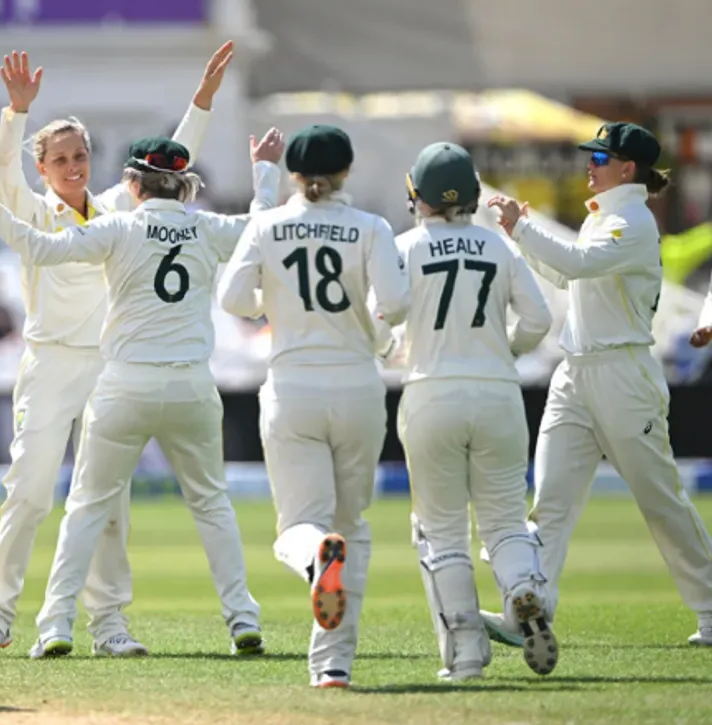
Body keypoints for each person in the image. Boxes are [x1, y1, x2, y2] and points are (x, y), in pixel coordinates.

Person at [0, 128, 284, 658]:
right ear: (183, 185)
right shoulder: (207, 227)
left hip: (122, 379)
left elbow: (38, 247)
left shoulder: (117, 224)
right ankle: (242, 618)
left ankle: (68, 624)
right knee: (207, 503)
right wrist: (264, 170)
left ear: (130, 182)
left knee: (91, 506)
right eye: (62, 158)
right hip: (176, 380)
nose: (74, 165)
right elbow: (261, 226)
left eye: (81, 155)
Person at [488, 122, 712, 648]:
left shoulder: (632, 221)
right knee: (550, 500)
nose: (589, 164)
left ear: (627, 168)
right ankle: (531, 612)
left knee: (660, 501)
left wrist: (522, 228)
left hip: (623, 375)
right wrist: (517, 233)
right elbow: (569, 276)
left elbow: (579, 263)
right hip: (576, 372)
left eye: (599, 157)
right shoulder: (606, 216)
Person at [217, 125, 410, 688]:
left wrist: (269, 299)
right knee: (353, 527)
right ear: (346, 171)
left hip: (293, 388)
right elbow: (394, 305)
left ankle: (313, 560)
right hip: (357, 388)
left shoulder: (268, 223)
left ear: (295, 176)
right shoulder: (371, 227)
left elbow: (233, 299)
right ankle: (333, 663)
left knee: (298, 529)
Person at [395, 142, 556, 681]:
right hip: (497, 394)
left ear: (417, 193)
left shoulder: (405, 246)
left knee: (441, 532)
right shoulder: (499, 247)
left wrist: (387, 349)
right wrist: (503, 348)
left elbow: (378, 322)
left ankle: (466, 656)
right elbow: (537, 320)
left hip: (430, 394)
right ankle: (524, 588)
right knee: (505, 521)